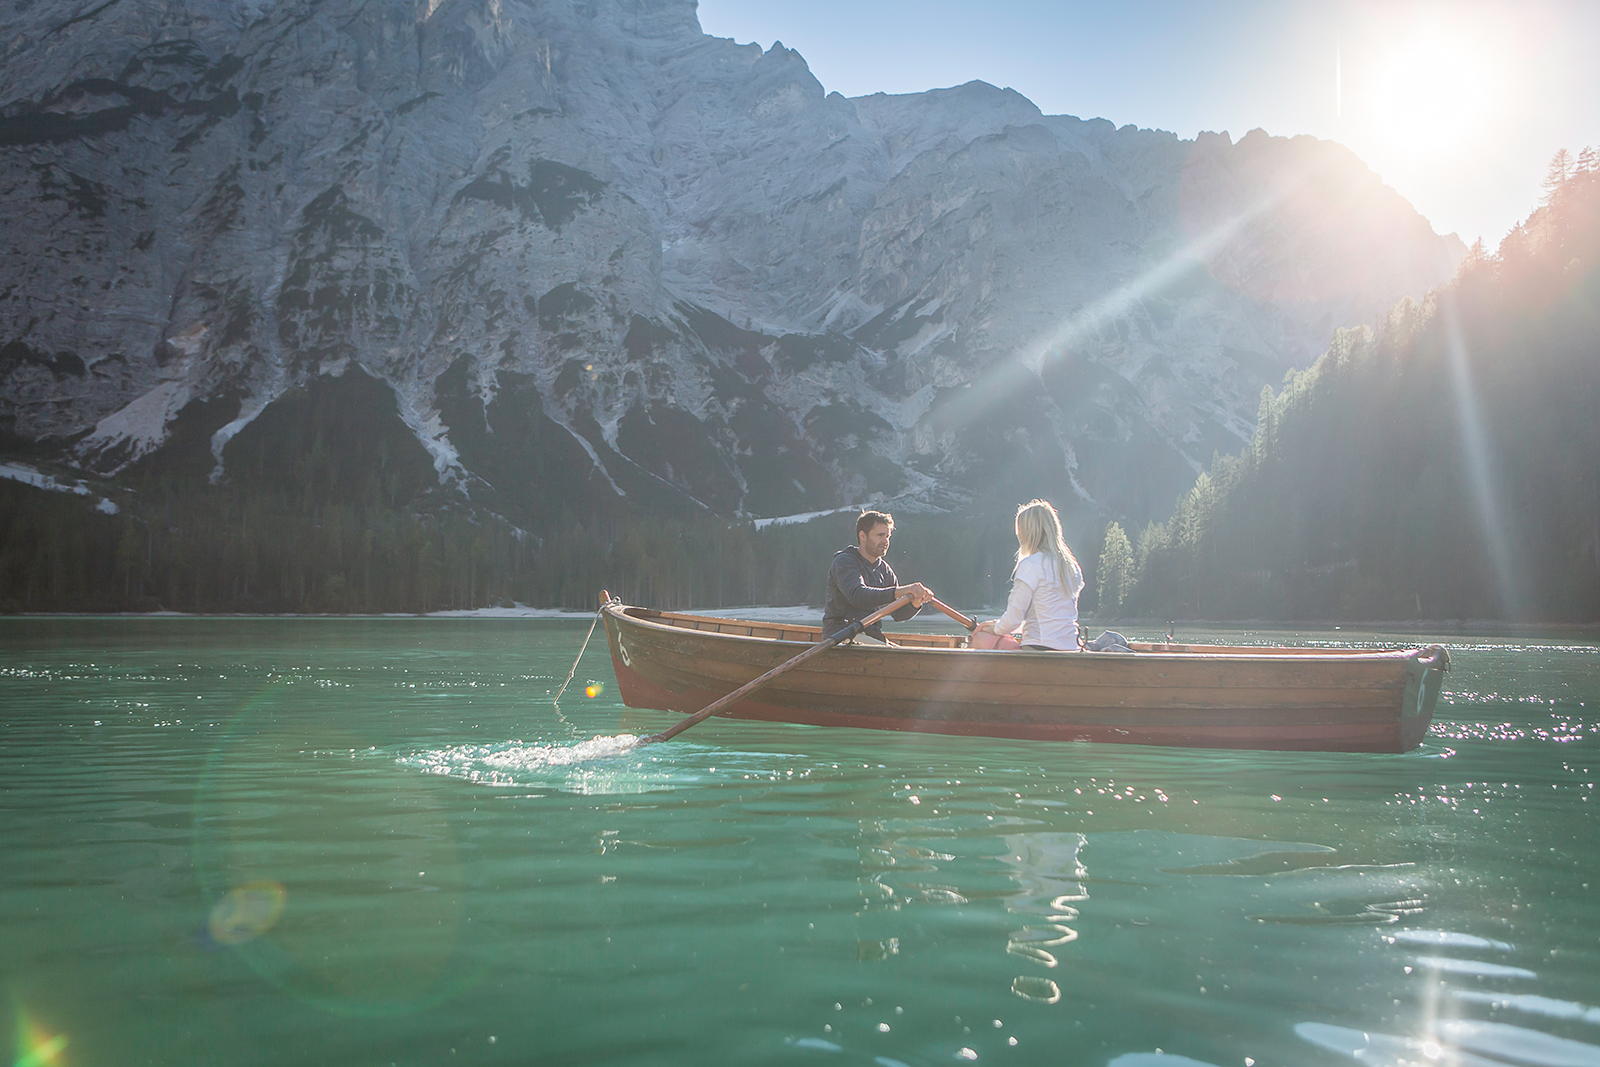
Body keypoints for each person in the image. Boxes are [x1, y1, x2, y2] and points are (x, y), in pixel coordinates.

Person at [974, 499, 1085, 651]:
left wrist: (992, 629)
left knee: (981, 638)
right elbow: (1051, 617)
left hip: (1039, 649)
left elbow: (1013, 620)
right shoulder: (1071, 566)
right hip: (1072, 648)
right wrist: (997, 624)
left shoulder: (1031, 565)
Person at [822, 510, 933, 643]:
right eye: (880, 535)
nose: (885, 541)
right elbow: (858, 596)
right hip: (841, 635)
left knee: (908, 656)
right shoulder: (844, 562)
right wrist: (904, 590)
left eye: (888, 536)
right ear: (863, 536)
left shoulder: (884, 569)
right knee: (898, 658)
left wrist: (916, 602)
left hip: (870, 635)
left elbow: (898, 614)